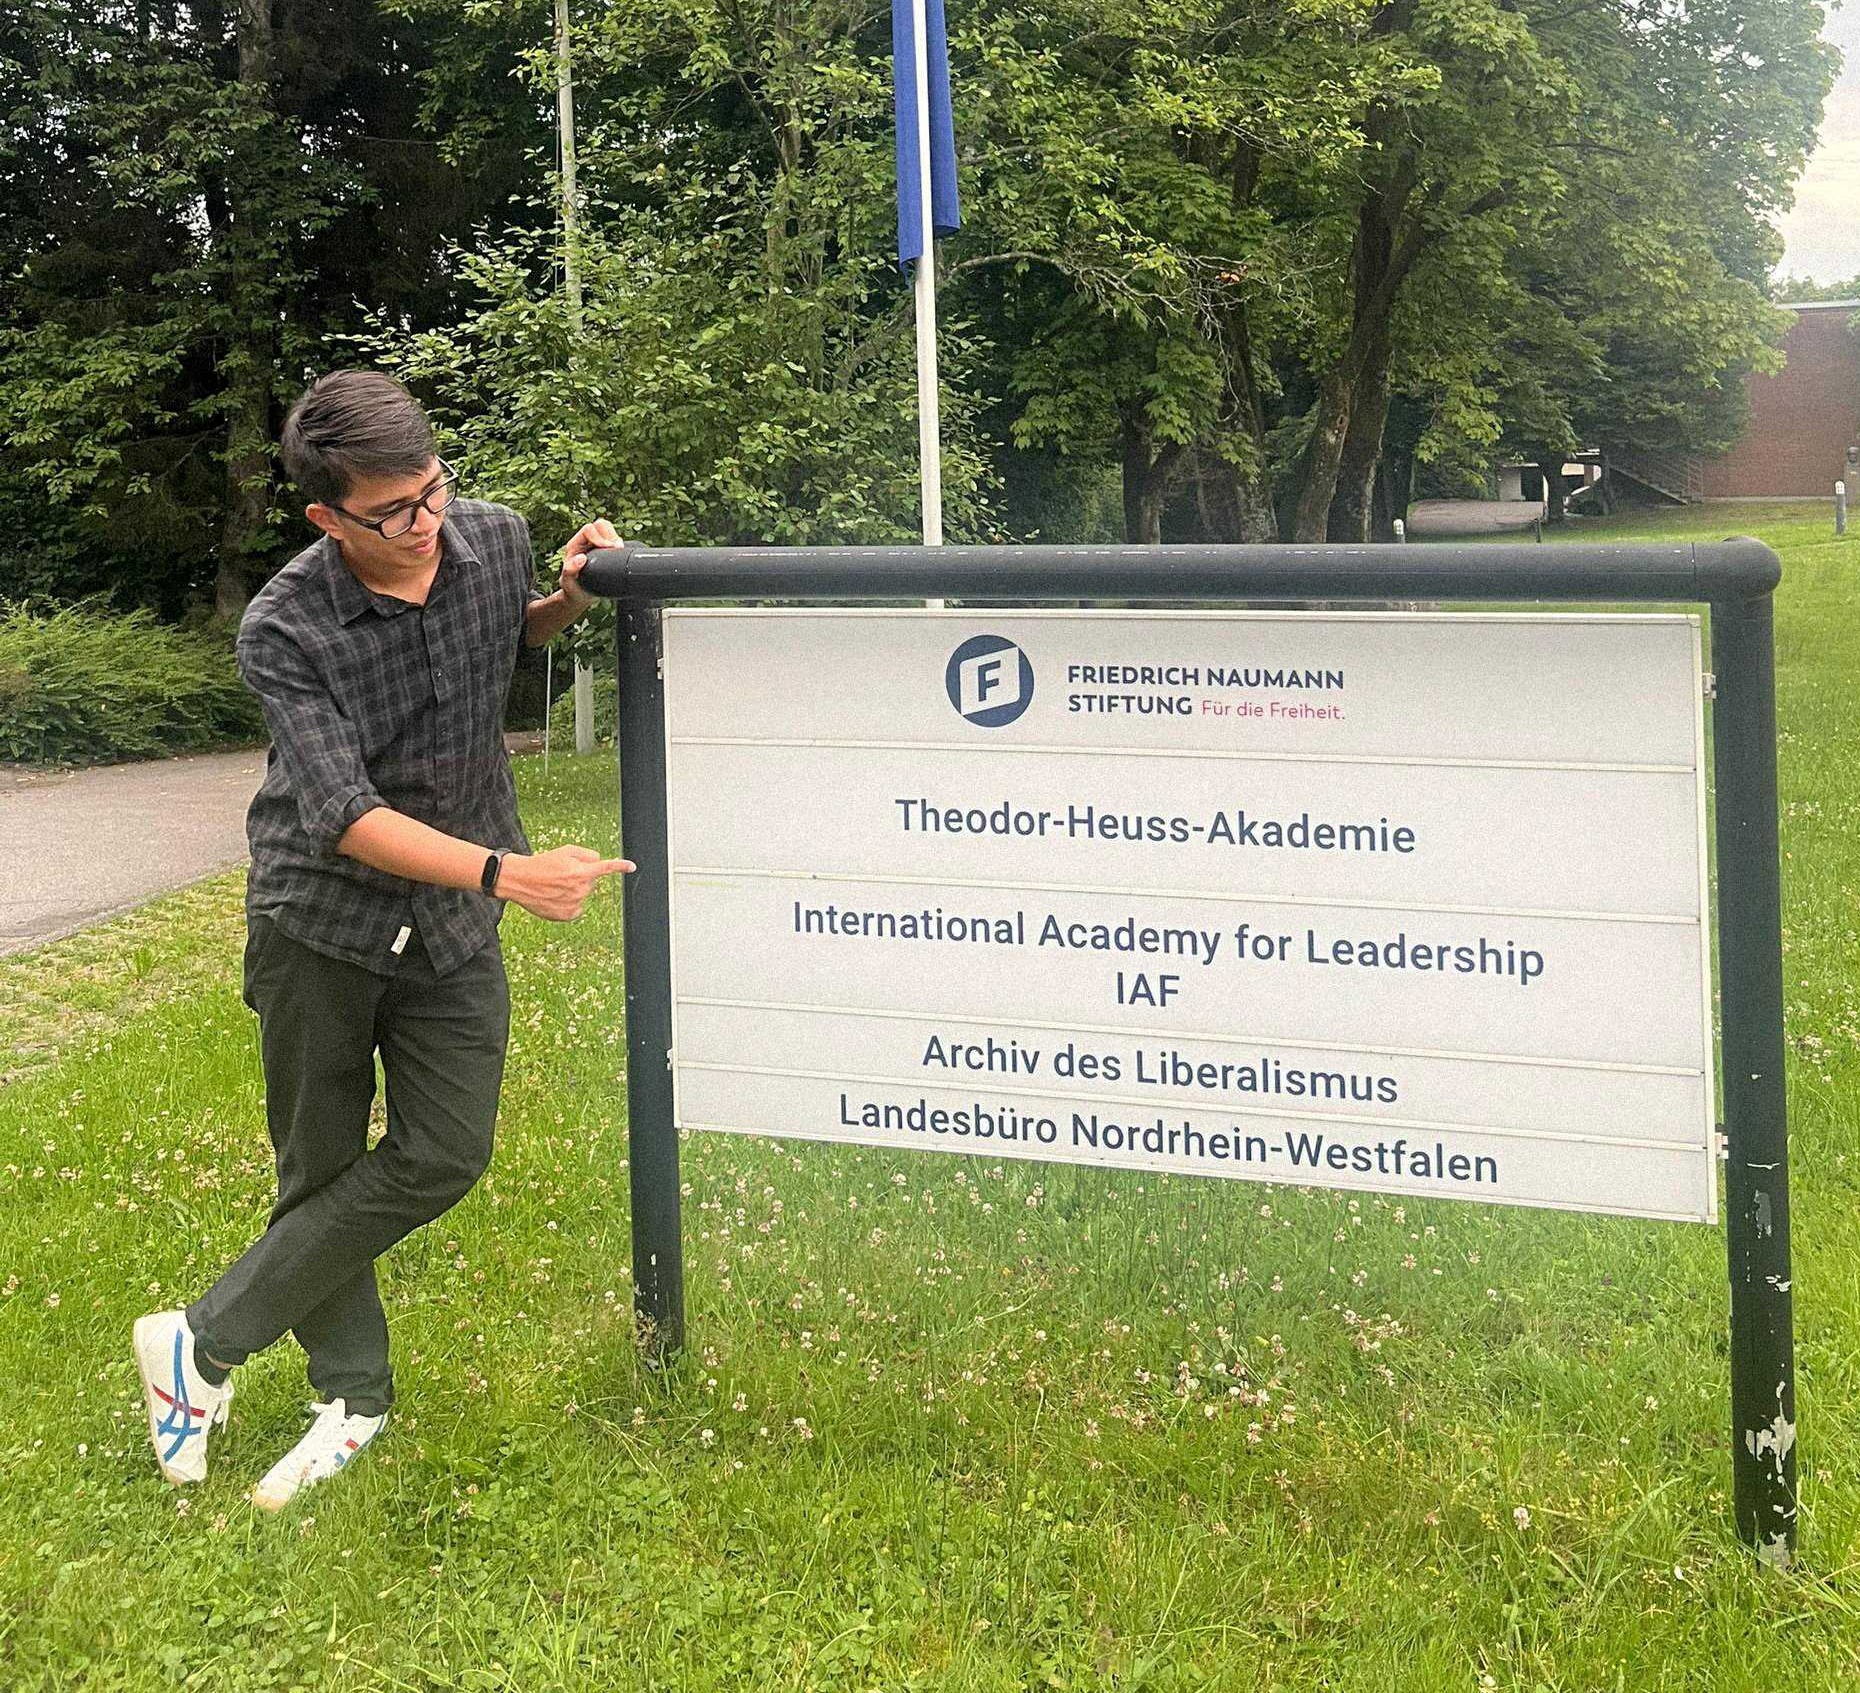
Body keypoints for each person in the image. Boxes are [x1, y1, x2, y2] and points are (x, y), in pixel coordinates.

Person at [132, 370, 631, 1509]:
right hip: (323, 921)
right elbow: (346, 818)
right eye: (392, 511)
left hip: (452, 925)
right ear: (327, 517)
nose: (424, 523)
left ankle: (198, 1345)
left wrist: (571, 596)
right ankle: (353, 1392)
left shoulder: (490, 538)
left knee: (444, 1152)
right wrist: (510, 871)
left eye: (433, 491)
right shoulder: (285, 625)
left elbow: (509, 629)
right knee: (318, 1166)